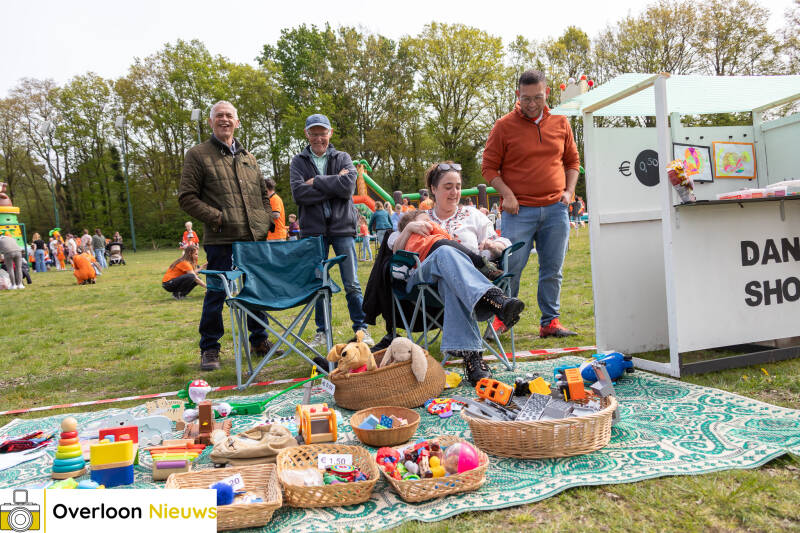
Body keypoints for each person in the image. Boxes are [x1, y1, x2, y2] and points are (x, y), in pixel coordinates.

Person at [383, 161, 521, 384]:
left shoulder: (473, 215)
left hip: (461, 283)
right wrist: (408, 229)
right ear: (434, 190)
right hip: (424, 283)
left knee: (451, 281)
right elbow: (393, 248)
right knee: (445, 250)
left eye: (457, 186)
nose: (454, 192)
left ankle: (472, 359)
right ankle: (495, 300)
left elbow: (502, 240)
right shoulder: (420, 216)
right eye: (448, 186)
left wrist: (495, 246)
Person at [482, 69, 581, 338]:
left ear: (547, 92)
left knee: (552, 269)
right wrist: (507, 195)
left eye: (538, 97)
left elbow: (573, 162)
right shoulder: (503, 126)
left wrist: (569, 192)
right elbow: (489, 168)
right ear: (517, 95)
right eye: (526, 99)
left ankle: (550, 322)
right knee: (511, 268)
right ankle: (502, 316)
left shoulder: (561, 123)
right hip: (518, 212)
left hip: (555, 210)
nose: (532, 104)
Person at [179, 100, 276, 371]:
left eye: (229, 116)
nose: (224, 119)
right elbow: (186, 197)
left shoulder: (248, 158)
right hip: (221, 239)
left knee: (255, 290)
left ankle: (259, 340)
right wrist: (218, 217)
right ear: (211, 122)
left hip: (253, 239)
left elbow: (262, 196)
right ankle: (209, 349)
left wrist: (265, 219)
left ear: (237, 122)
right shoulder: (198, 154)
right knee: (216, 293)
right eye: (219, 116)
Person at [289, 113, 373, 347]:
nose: (318, 138)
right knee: (319, 282)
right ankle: (322, 331)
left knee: (352, 282)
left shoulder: (343, 157)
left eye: (322, 133)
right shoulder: (298, 161)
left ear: (330, 133)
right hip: (314, 231)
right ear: (307, 134)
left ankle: (361, 329)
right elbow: (298, 193)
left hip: (342, 229)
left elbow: (347, 189)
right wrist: (334, 182)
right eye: (313, 133)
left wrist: (315, 181)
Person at [398, 210, 503, 280]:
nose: (429, 222)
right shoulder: (426, 228)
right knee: (448, 246)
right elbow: (443, 234)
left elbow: (397, 251)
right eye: (426, 220)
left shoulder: (407, 240)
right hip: (438, 256)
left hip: (423, 272)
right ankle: (481, 264)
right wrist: (449, 239)